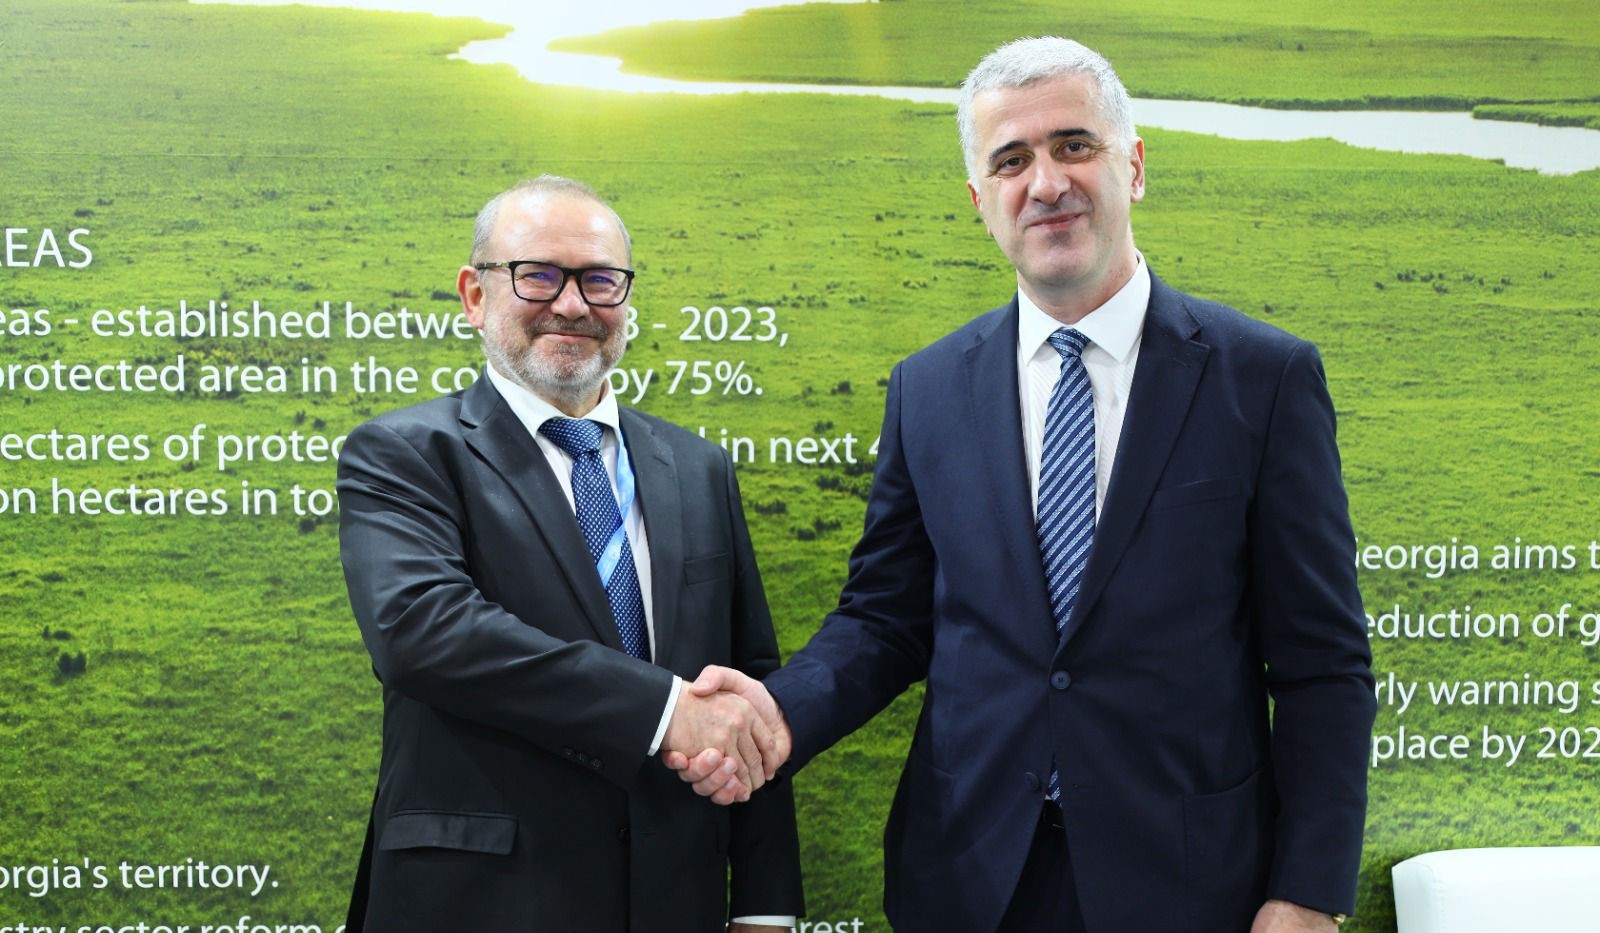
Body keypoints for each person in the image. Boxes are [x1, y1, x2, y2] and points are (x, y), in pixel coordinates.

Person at [672, 37, 1376, 933]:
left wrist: (1309, 893)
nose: (1045, 183)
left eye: (1073, 145)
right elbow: (886, 619)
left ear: (1134, 165)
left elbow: (1323, 664)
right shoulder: (928, 387)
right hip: (967, 878)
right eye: (1011, 160)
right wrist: (776, 712)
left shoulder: (1263, 378)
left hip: (1191, 883)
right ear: (981, 200)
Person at [337, 175, 803, 933]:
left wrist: (764, 903)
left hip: (673, 901)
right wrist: (665, 712)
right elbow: (423, 632)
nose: (574, 304)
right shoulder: (405, 452)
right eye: (539, 275)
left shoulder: (698, 467)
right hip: (479, 904)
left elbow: (749, 687)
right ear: (475, 295)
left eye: (600, 280)